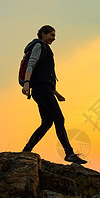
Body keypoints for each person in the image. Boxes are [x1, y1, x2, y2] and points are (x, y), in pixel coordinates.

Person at [21, 25, 87, 165]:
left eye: (54, 36)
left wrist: (56, 93)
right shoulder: (40, 46)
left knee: (46, 123)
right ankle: (69, 153)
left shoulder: (45, 48)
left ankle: (27, 150)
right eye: (51, 35)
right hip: (41, 89)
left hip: (43, 89)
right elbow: (31, 64)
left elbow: (45, 75)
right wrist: (26, 82)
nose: (53, 38)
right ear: (43, 34)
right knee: (59, 118)